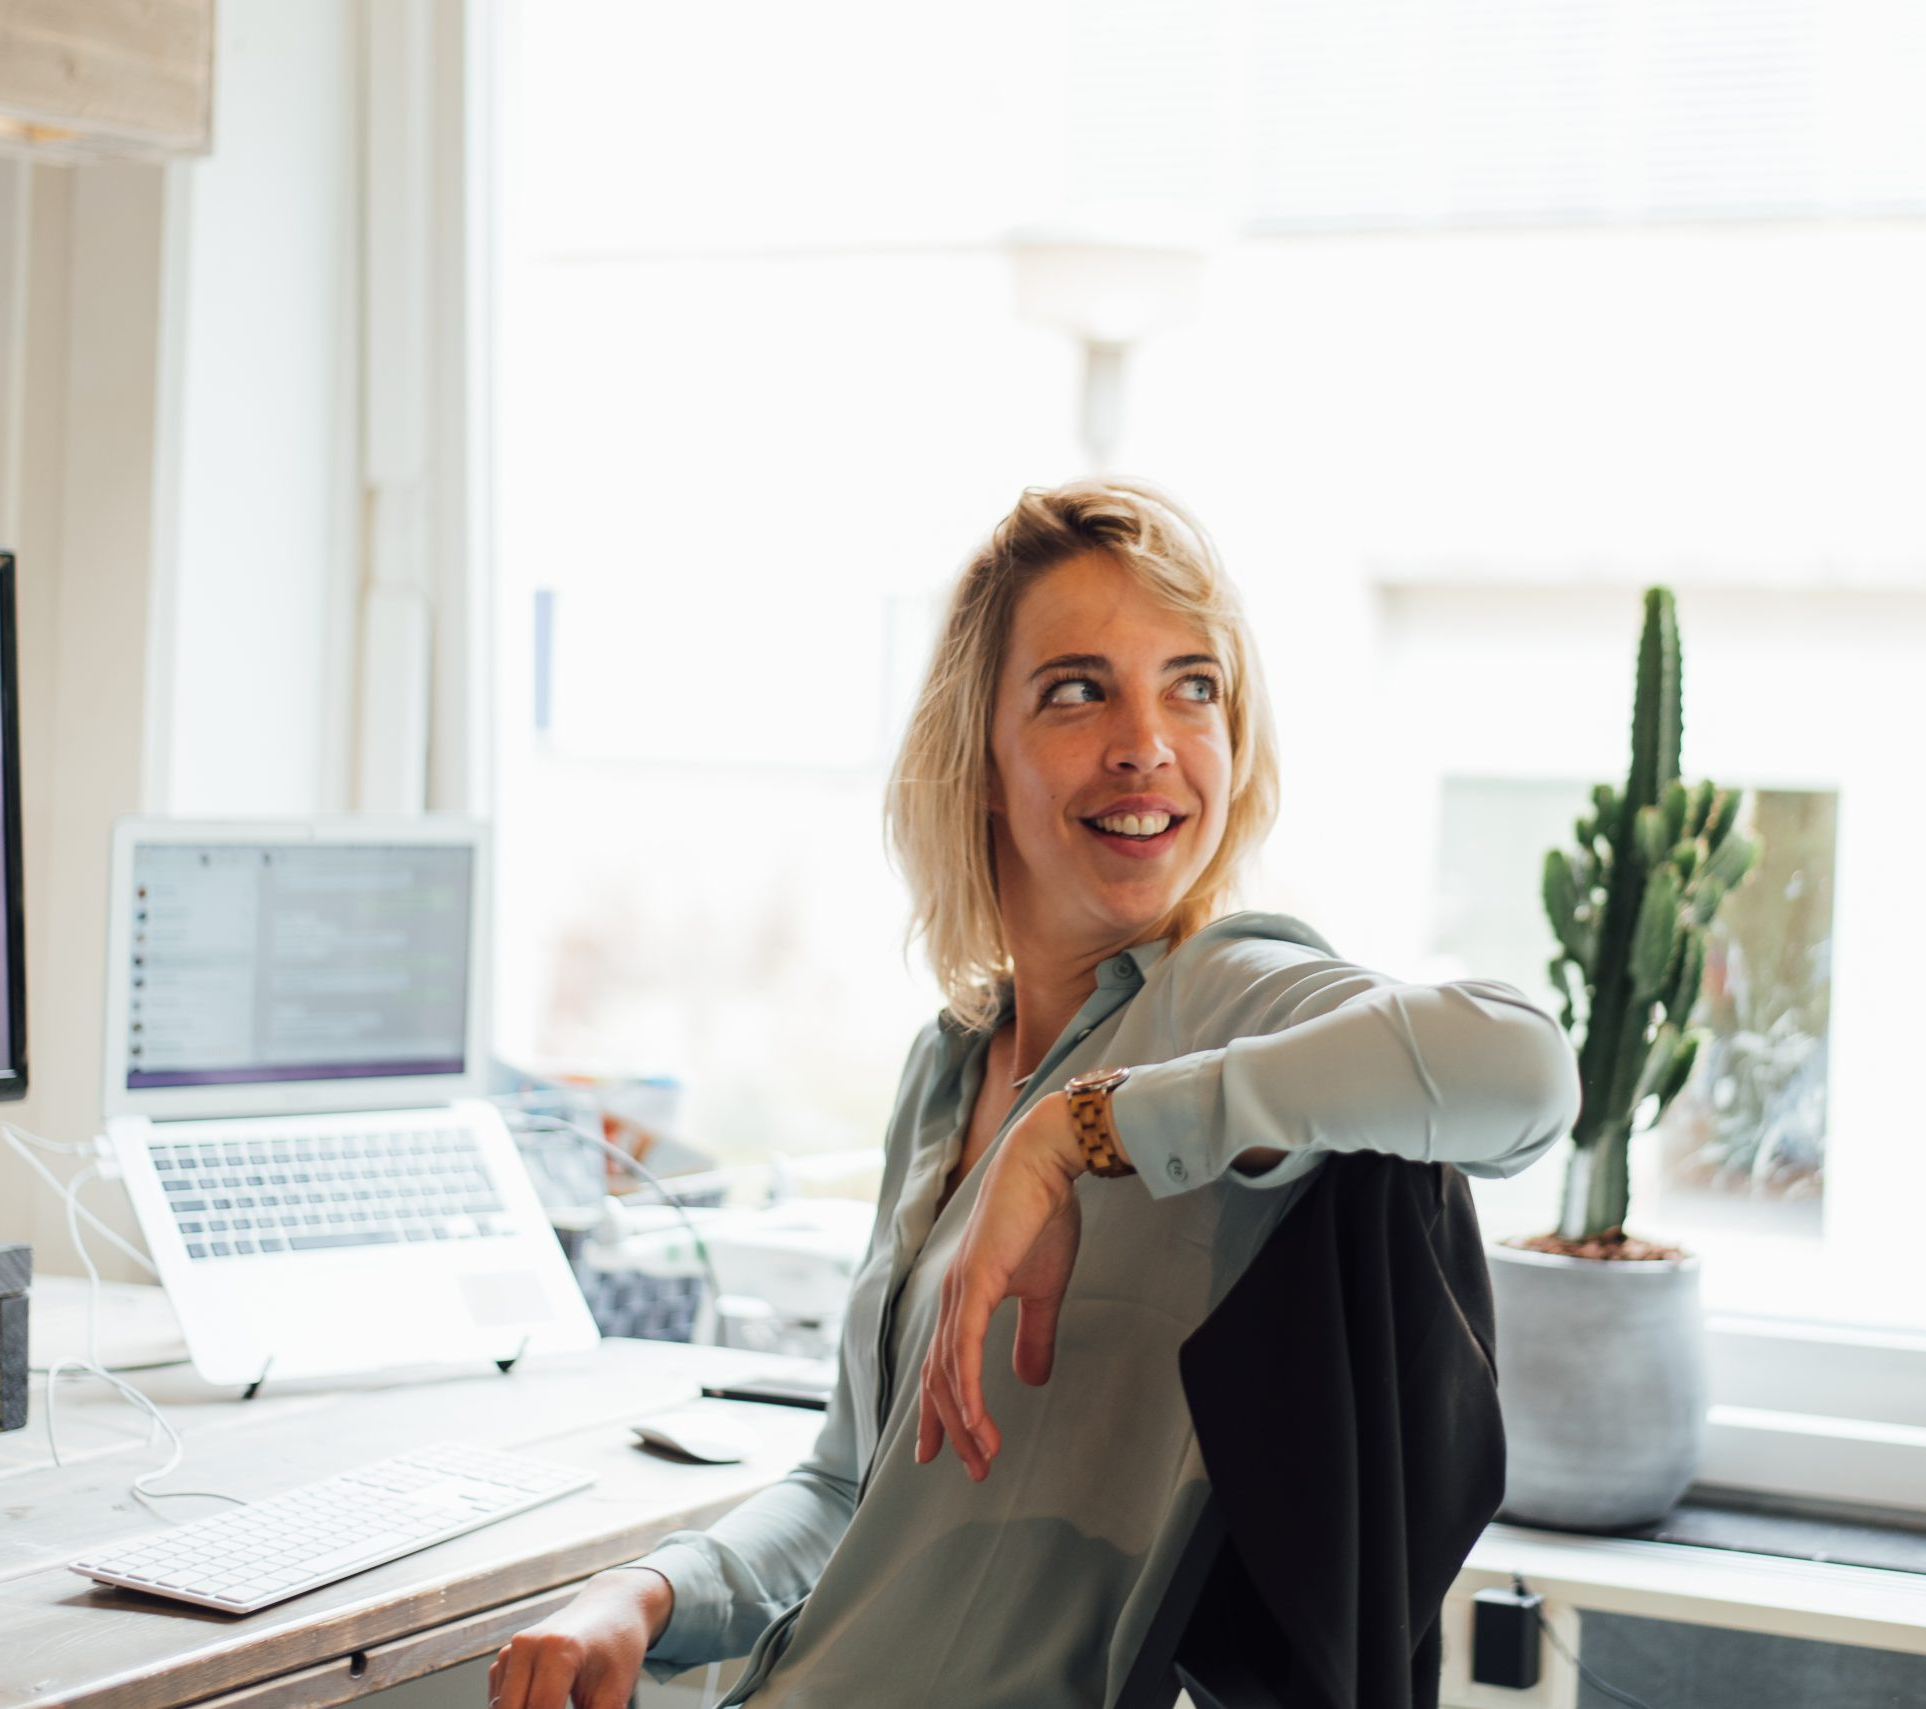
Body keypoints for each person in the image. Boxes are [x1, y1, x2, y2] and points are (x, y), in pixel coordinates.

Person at [488, 479, 1580, 1709]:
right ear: (982, 759)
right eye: (1077, 689)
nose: (1146, 743)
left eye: (1193, 686)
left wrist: (1081, 1129)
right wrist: (646, 1594)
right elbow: (856, 1484)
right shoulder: (951, 1060)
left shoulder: (1229, 995)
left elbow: (1524, 1068)